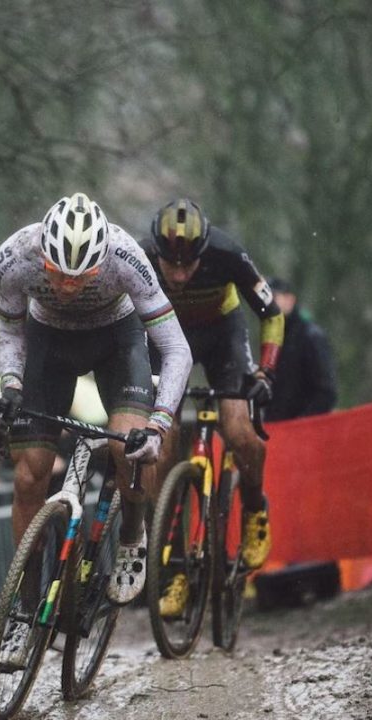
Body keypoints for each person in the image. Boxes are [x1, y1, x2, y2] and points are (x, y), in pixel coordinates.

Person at [0, 191, 191, 667]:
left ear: (101, 262)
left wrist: (158, 426)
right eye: (58, 273)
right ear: (43, 255)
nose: (67, 287)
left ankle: (131, 536)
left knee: (128, 447)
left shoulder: (127, 258)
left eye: (81, 277)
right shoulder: (14, 258)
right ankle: (24, 611)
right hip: (48, 345)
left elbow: (177, 350)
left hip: (116, 342)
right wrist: (11, 384)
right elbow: (10, 332)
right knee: (29, 475)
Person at [138, 199, 281, 620]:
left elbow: (272, 314)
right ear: (157, 253)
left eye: (190, 266)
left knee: (237, 430)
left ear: (205, 252)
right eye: (172, 266)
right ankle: (174, 569)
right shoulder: (141, 257)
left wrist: (266, 372)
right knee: (159, 450)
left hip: (222, 336)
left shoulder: (227, 253)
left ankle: (254, 507)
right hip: (167, 337)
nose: (180, 276)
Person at [264, 277, 337, 422]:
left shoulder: (310, 336)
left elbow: (326, 392)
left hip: (303, 429)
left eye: (273, 298)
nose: (267, 304)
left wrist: (301, 424)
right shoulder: (271, 338)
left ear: (290, 300)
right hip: (276, 428)